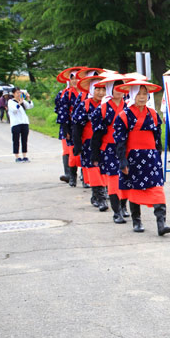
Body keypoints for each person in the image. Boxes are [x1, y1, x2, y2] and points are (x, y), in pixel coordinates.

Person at [113, 79, 170, 236]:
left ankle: (161, 223)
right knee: (134, 190)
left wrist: (158, 155)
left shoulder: (153, 114)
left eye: (145, 94)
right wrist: (122, 161)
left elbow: (157, 137)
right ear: (132, 95)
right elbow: (119, 141)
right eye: (138, 94)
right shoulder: (123, 116)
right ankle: (137, 220)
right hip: (133, 158)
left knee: (158, 189)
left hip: (151, 158)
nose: (142, 97)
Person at [91, 74, 134, 224]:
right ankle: (116, 213)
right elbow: (96, 134)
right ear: (111, 89)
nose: (119, 90)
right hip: (109, 149)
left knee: (127, 178)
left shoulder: (130, 107)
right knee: (114, 181)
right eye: (116, 87)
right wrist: (95, 155)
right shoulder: (102, 109)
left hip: (127, 148)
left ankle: (123, 206)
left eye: (122, 87)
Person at [72, 74, 108, 210]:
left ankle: (99, 194)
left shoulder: (108, 105)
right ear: (91, 90)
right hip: (88, 143)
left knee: (104, 169)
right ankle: (100, 197)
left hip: (105, 143)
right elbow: (76, 126)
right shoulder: (84, 105)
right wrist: (77, 145)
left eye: (103, 89)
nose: (100, 92)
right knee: (93, 169)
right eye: (97, 89)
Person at [55, 67, 83, 185]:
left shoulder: (86, 94)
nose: (75, 81)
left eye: (78, 79)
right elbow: (61, 110)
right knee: (69, 150)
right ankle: (70, 175)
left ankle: (84, 175)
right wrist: (66, 126)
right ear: (69, 80)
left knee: (84, 150)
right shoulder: (65, 94)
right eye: (73, 79)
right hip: (69, 125)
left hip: (82, 125)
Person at [8, 87, 33, 163]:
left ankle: (24, 155)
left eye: (20, 92)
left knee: (24, 139)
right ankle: (17, 156)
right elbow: (14, 109)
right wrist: (19, 102)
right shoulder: (11, 102)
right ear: (13, 94)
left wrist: (28, 98)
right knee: (16, 140)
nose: (19, 94)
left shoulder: (23, 101)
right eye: (17, 93)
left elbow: (30, 106)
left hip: (24, 122)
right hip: (16, 123)